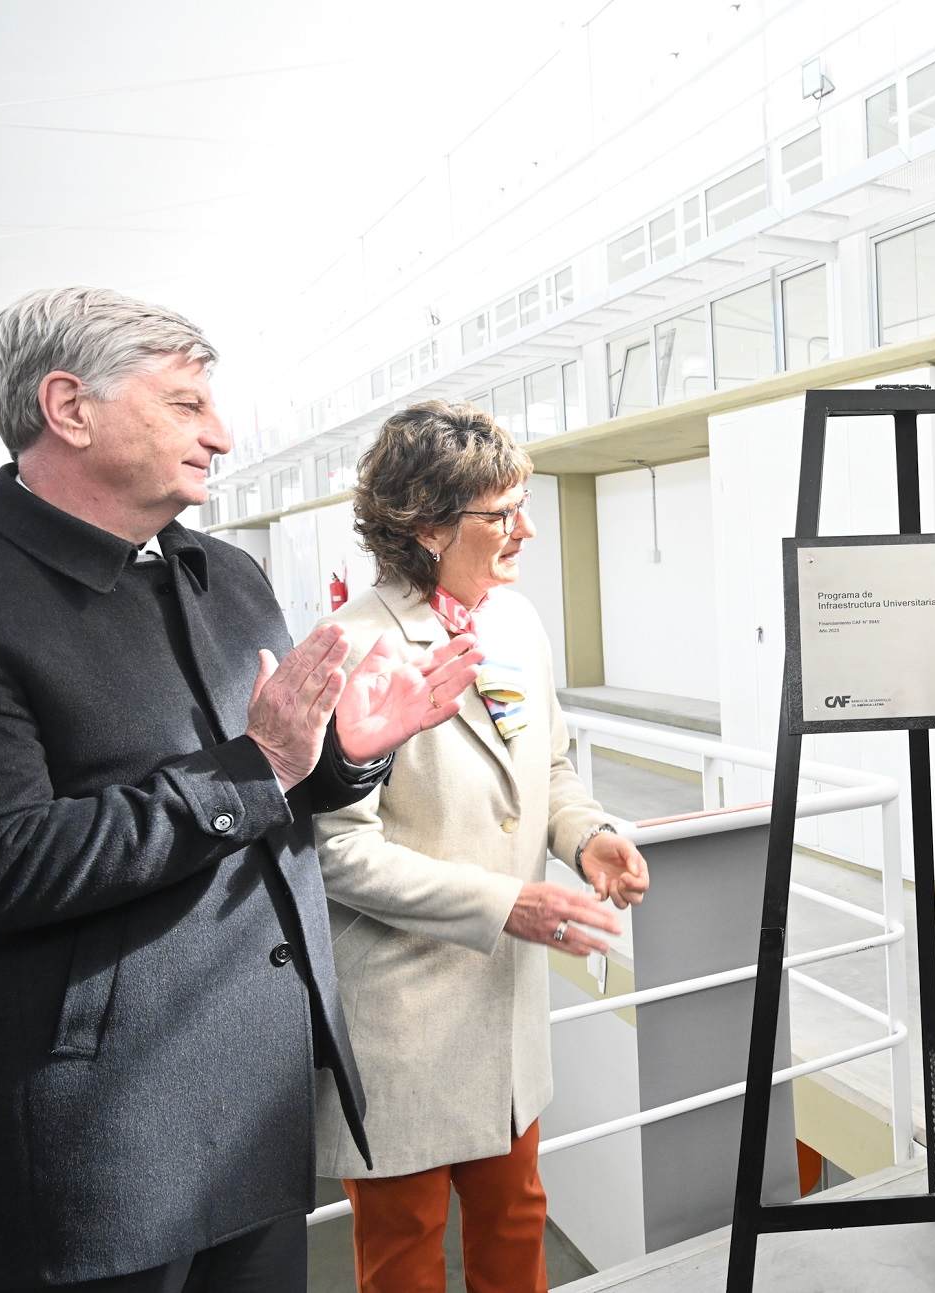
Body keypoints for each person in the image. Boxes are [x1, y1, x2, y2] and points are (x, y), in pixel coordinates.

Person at [0, 287, 484, 1291]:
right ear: (70, 409)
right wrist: (262, 765)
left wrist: (349, 757)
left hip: (253, 1103)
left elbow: (272, 788)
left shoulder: (226, 575)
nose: (222, 433)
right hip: (101, 1146)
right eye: (183, 403)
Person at [311, 400, 650, 1293]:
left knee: (515, 1224)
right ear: (425, 526)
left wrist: (589, 836)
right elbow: (338, 851)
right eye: (502, 513)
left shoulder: (516, 624)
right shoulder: (352, 651)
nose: (526, 530)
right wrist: (506, 903)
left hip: (502, 1008)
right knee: (405, 1255)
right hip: (401, 1015)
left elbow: (549, 766)